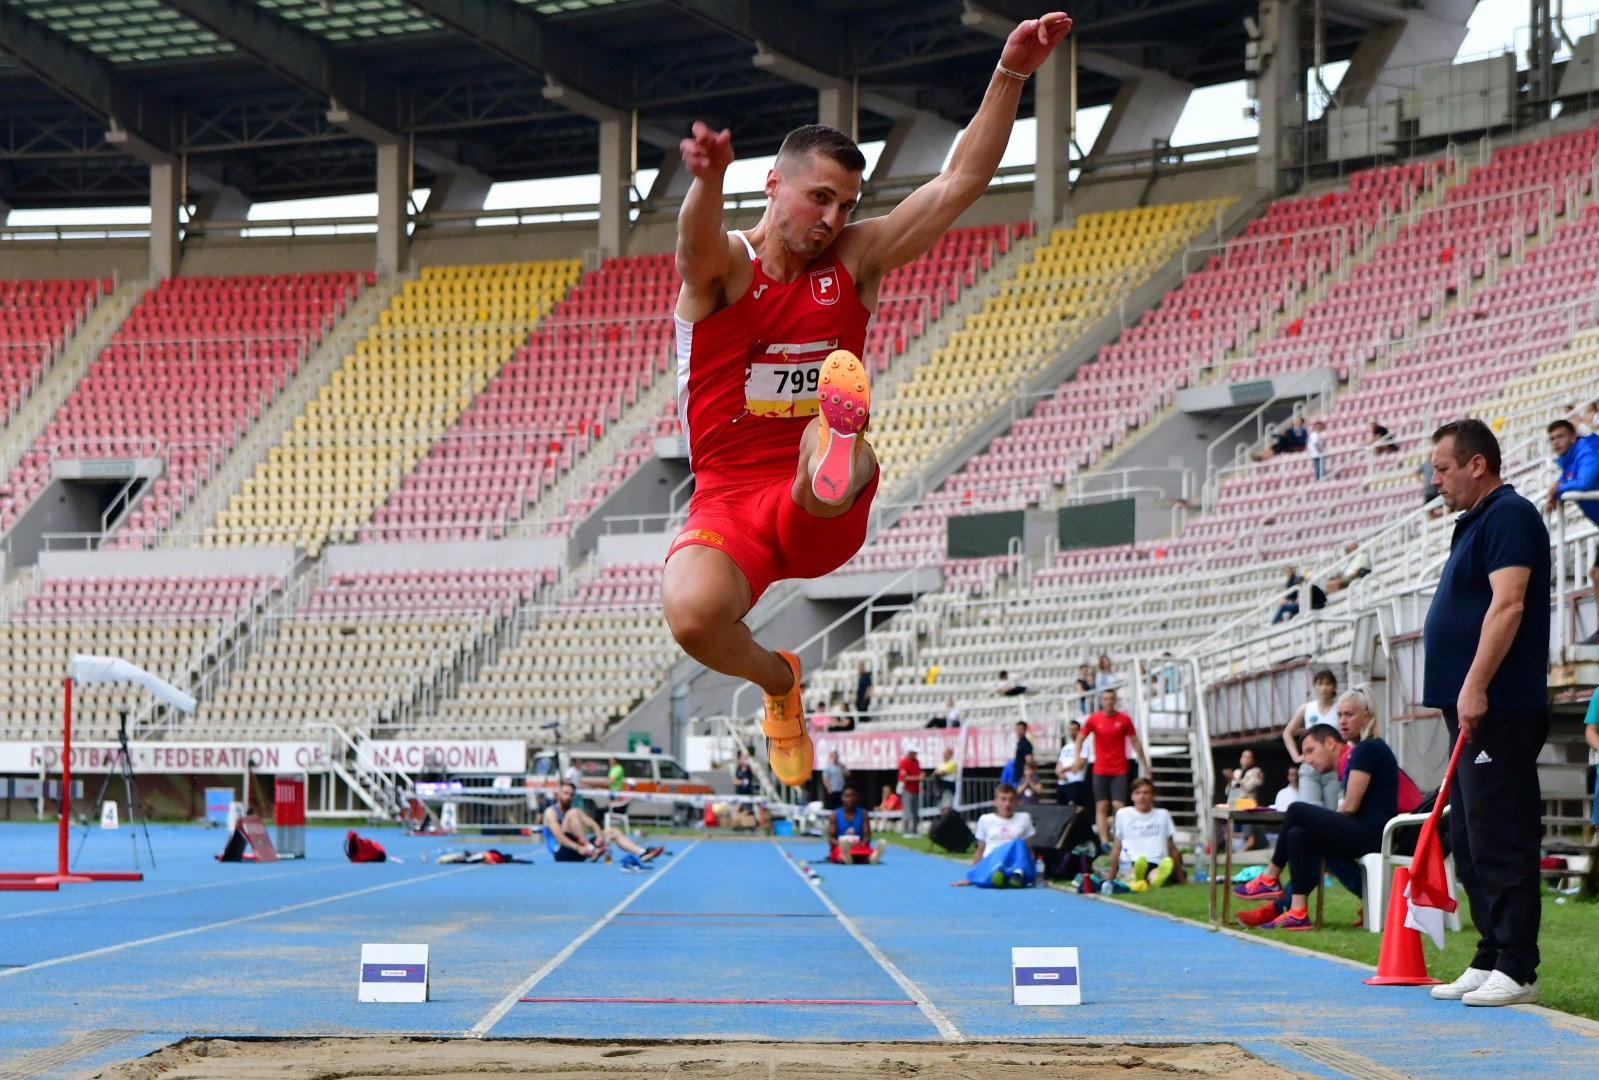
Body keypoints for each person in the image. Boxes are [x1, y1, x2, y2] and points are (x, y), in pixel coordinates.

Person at [660, 14, 1075, 789]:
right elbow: (693, 245)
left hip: (819, 498)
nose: (833, 218)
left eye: (846, 204)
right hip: (726, 501)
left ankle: (836, 449)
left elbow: (958, 184)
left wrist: (1011, 73)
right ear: (772, 184)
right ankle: (781, 684)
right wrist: (706, 180)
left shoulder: (854, 261)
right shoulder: (725, 270)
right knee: (689, 616)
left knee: (830, 416)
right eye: (820, 197)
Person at [1422, 419, 1551, 1007]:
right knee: (1470, 834)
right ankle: (1492, 951)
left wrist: (1475, 685)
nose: (1435, 481)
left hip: (1498, 702)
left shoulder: (1508, 515)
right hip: (1472, 706)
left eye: (1443, 469)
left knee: (1500, 828)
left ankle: (1519, 964)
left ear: (1478, 465)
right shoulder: (1475, 522)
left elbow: (1509, 604)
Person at [1232, 723, 1398, 929]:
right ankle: (1296, 911)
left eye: (1310, 751)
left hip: (1380, 833)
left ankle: (1269, 879)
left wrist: (1322, 822)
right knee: (1298, 835)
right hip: (1367, 830)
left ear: (1330, 743)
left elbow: (1350, 807)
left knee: (1297, 811)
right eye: (1340, 715)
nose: (1307, 760)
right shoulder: (1352, 759)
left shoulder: (1365, 750)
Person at [1074, 688, 1151, 849]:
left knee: (1119, 806)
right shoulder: (1094, 719)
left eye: (1111, 699)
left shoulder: (1123, 719)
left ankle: (1119, 837)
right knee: (1101, 805)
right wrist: (1077, 759)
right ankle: (1103, 841)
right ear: (1101, 701)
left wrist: (1145, 764)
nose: (1108, 702)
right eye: (1105, 699)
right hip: (1100, 768)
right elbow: (1080, 738)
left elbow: (1135, 741)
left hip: (1119, 768)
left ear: (1115, 701)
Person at [1545, 418, 1599, 644]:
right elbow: (1564, 482)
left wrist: (1558, 490)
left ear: (1573, 437)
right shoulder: (1568, 462)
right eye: (1552, 439)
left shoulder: (1587, 451)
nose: (1556, 442)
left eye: (1560, 436)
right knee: (1596, 573)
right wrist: (1555, 490)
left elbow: (1585, 482)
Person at [542, 781, 664, 863]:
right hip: (562, 851)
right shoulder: (550, 812)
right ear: (558, 794)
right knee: (572, 813)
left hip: (582, 850)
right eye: (565, 793)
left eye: (571, 794)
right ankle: (590, 848)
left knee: (613, 832)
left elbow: (593, 824)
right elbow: (559, 837)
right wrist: (579, 848)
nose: (568, 797)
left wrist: (599, 836)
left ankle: (642, 852)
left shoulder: (574, 810)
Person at [951, 783, 1035, 886]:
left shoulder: (1024, 818)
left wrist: (1035, 872)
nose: (1007, 804)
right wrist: (971, 877)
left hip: (1014, 864)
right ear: (995, 802)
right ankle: (998, 873)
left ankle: (1016, 874)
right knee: (1014, 845)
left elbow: (1029, 849)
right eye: (1003, 799)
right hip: (992, 860)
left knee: (1019, 843)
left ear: (1016, 802)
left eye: (1011, 800)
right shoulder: (985, 820)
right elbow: (980, 849)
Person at [1282, 669, 1340, 809]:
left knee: (1333, 811)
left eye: (1327, 684)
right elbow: (1287, 733)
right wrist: (1296, 757)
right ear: (1315, 687)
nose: (1324, 688)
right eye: (1320, 684)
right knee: (1309, 809)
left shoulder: (1339, 708)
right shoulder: (1307, 708)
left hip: (1333, 769)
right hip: (1311, 768)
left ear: (1334, 687)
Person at [1109, 779, 1182, 888]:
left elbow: (1171, 847)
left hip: (1157, 861)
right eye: (1137, 793)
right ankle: (1138, 877)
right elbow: (1117, 846)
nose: (1141, 797)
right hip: (1133, 861)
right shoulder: (1123, 814)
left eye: (1146, 793)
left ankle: (1153, 880)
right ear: (1132, 796)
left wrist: (1182, 879)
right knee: (1134, 871)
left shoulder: (1163, 815)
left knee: (1156, 874)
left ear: (1153, 796)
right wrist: (1111, 876)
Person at [826, 783, 883, 865]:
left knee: (866, 850)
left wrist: (860, 843)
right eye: (847, 796)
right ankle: (845, 857)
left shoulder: (863, 814)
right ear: (842, 798)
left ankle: (872, 857)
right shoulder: (835, 815)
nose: (850, 799)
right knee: (839, 851)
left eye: (853, 796)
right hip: (841, 846)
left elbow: (867, 837)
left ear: (857, 798)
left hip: (858, 846)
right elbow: (831, 839)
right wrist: (843, 844)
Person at [1055, 719, 1089, 810]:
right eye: (1070, 730)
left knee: (1076, 808)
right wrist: (1060, 772)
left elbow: (1080, 764)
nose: (1072, 732)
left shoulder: (1084, 745)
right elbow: (1059, 764)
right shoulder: (1066, 747)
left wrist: (1063, 769)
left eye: (1074, 730)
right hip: (1063, 782)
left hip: (1076, 781)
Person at [896, 748, 925, 837]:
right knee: (907, 812)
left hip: (916, 790)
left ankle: (915, 830)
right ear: (909, 753)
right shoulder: (903, 762)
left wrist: (919, 776)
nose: (915, 755)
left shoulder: (916, 762)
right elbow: (904, 777)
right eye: (914, 753)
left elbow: (920, 774)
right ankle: (906, 831)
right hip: (907, 790)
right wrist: (917, 778)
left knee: (915, 812)